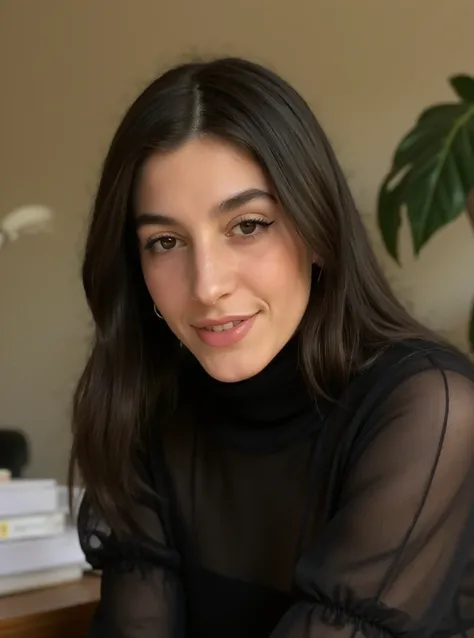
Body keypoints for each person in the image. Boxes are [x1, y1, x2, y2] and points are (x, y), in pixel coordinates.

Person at [69, 56, 474, 638]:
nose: (207, 285)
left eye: (248, 225)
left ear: (317, 230)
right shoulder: (148, 410)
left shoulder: (427, 407)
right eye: (165, 241)